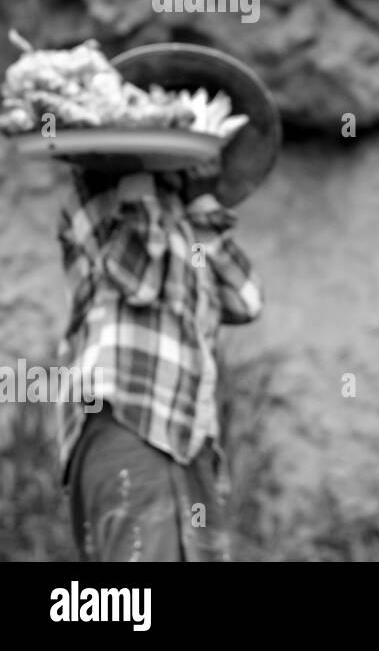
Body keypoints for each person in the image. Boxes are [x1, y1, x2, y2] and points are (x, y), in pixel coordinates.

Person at [55, 42, 280, 561]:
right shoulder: (99, 201)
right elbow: (138, 280)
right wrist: (142, 172)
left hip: (189, 437)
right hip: (124, 417)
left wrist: (202, 202)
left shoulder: (190, 226)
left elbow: (246, 299)